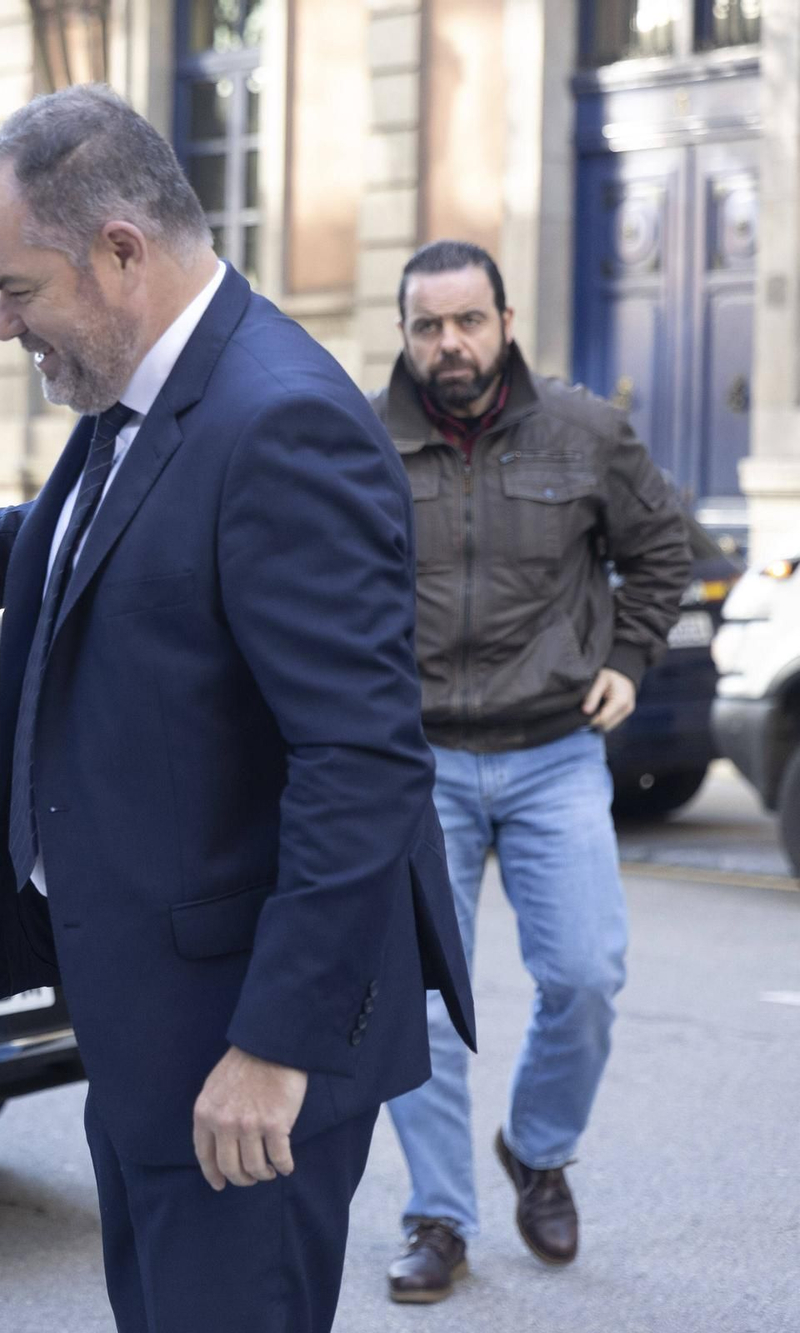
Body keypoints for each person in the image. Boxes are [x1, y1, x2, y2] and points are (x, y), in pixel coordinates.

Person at [0, 86, 475, 1333]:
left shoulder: (279, 419)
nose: (1, 322)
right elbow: (75, 544)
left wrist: (272, 1049)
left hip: (240, 1062)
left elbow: (360, 765)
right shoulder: (143, 391)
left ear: (120, 251)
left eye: (15, 286)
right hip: (156, 1033)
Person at [372, 240, 689, 1304]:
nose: (447, 344)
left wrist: (628, 660)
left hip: (553, 750)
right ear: (403, 334)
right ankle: (436, 1215)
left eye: (466, 321)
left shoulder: (584, 431)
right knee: (416, 1000)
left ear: (504, 321)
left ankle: (538, 1149)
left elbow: (661, 550)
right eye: (426, 326)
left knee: (586, 974)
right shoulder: (359, 445)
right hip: (415, 763)